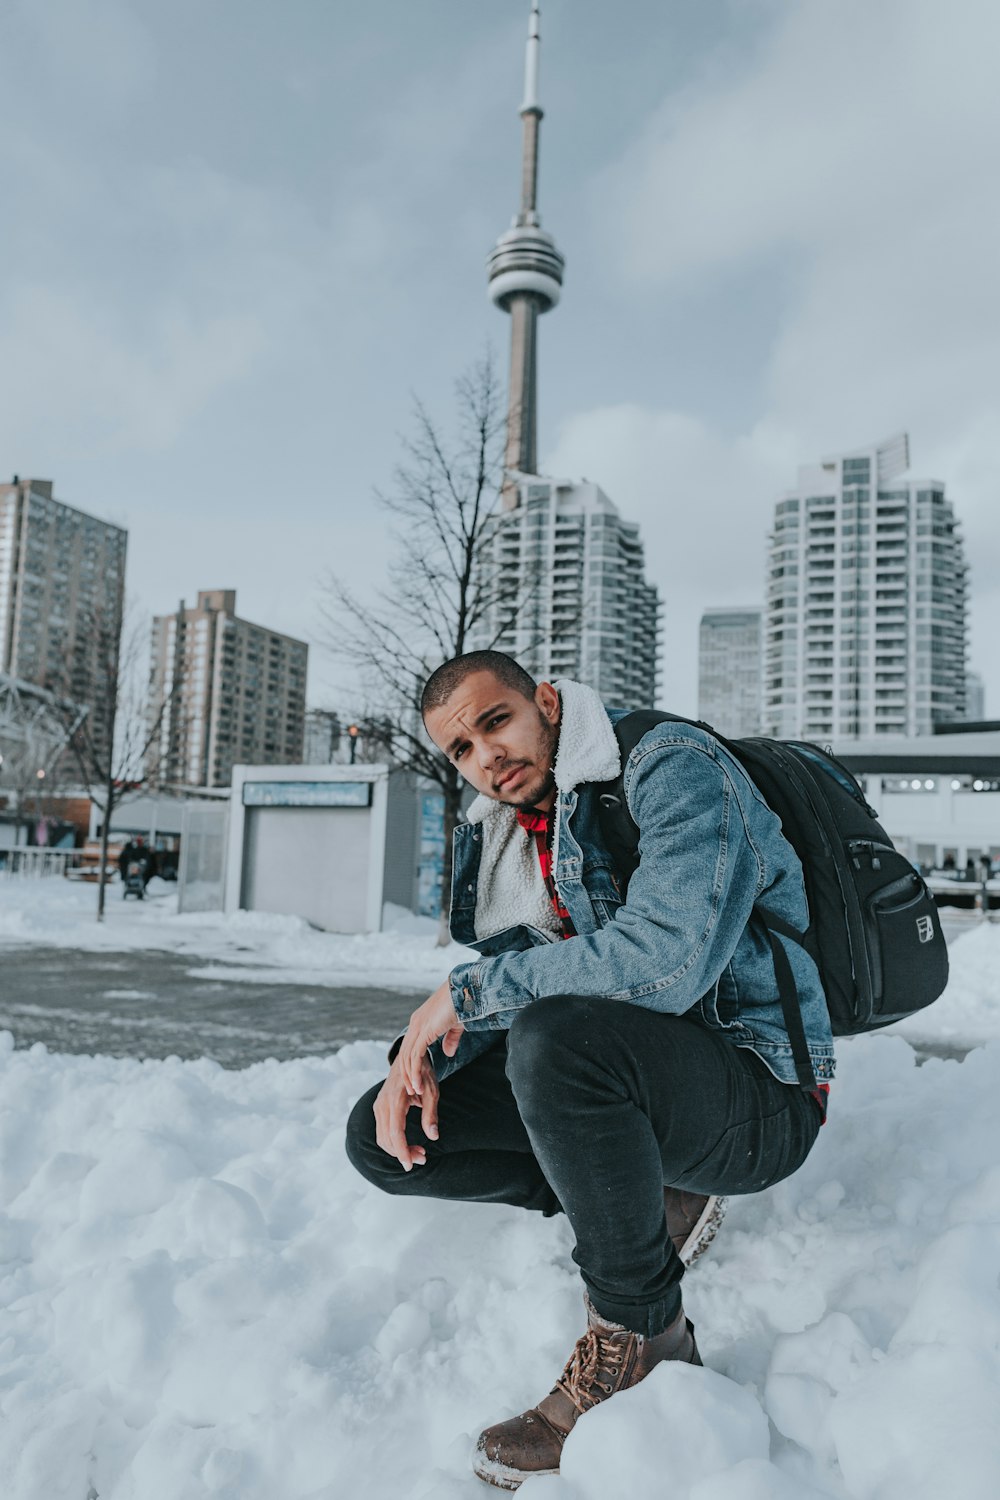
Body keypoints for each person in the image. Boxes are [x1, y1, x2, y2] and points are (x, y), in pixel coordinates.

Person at [346, 651, 834, 1491]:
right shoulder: (513, 835)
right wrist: (413, 1061)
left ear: (545, 701)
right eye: (461, 751)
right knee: (386, 1139)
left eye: (495, 721)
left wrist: (466, 994)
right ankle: (639, 1201)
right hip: (641, 1080)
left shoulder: (672, 768)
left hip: (762, 1095)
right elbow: (514, 986)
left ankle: (646, 1334)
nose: (486, 759)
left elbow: (666, 962)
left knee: (558, 1039)